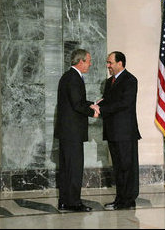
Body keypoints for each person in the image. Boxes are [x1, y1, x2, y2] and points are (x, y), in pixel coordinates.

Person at [91, 51, 141, 210]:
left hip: (125, 132)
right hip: (112, 131)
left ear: (120, 63)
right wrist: (100, 104)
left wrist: (102, 109)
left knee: (127, 167)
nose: (108, 66)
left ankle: (128, 200)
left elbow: (124, 103)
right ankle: (120, 199)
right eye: (107, 63)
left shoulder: (130, 80)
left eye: (110, 63)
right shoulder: (108, 82)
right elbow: (110, 100)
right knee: (118, 169)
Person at [54, 48, 98, 212]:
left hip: (67, 133)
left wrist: (91, 103)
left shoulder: (68, 77)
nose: (90, 64)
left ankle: (65, 202)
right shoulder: (74, 78)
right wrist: (92, 111)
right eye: (88, 60)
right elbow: (77, 104)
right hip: (72, 133)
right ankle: (73, 203)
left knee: (67, 169)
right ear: (81, 62)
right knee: (74, 169)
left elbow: (77, 101)